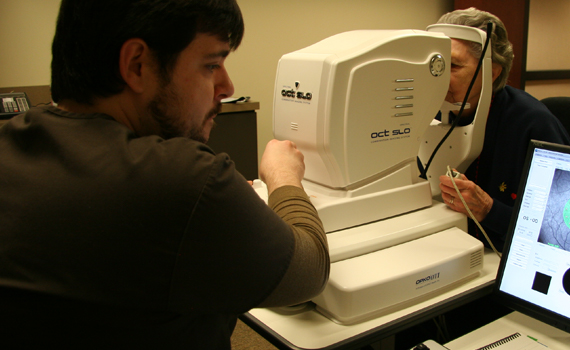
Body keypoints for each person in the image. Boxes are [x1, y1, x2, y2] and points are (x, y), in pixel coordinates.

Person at [0, 1, 329, 349]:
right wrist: (283, 175)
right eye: (212, 65)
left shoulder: (12, 143)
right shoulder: (181, 179)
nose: (227, 86)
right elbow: (309, 272)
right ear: (137, 65)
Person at [435, 8, 570, 251]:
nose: (439, 76)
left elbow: (564, 229)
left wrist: (490, 210)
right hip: (446, 246)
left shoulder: (534, 125)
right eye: (437, 64)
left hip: (503, 257)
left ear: (492, 72)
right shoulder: (428, 115)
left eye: (453, 66)